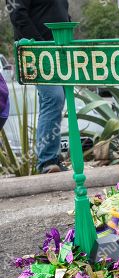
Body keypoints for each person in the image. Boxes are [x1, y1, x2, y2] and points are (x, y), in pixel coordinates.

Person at [7, 0, 70, 173]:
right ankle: (47, 161)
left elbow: (62, 12)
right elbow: (17, 14)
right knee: (53, 97)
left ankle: (53, 159)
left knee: (57, 100)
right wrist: (41, 46)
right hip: (36, 51)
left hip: (60, 50)